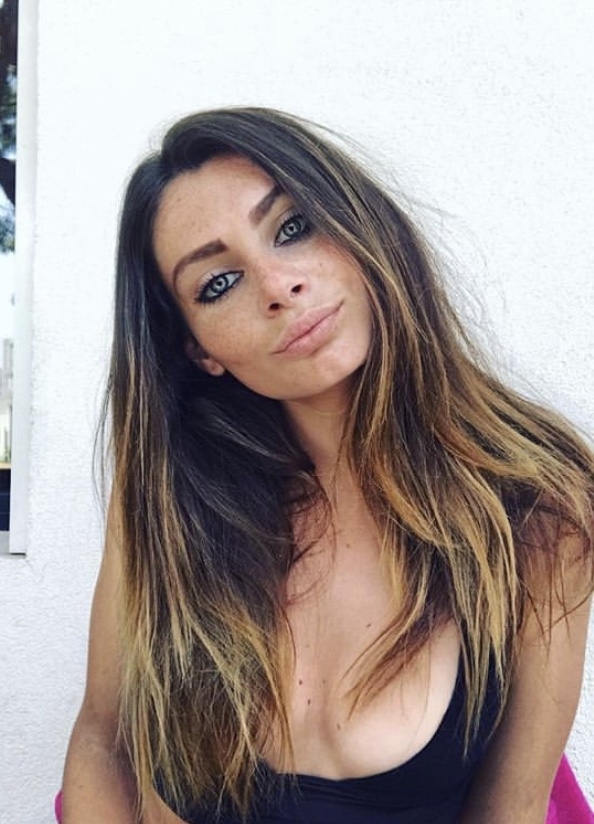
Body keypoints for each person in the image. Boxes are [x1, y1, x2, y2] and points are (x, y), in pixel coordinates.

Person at [61, 107, 594, 824]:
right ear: (199, 350)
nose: (277, 285)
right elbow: (105, 740)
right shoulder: (166, 504)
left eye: (293, 227)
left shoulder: (541, 510)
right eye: (218, 283)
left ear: (358, 228)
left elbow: (514, 806)